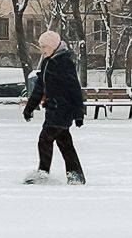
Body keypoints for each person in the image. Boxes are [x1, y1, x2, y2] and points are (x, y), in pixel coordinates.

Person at [22, 30, 86, 185]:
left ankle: (43, 173)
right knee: (65, 143)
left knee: (45, 140)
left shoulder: (64, 63)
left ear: (53, 46)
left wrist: (79, 113)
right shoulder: (47, 62)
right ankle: (76, 176)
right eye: (41, 46)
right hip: (53, 108)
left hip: (62, 109)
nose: (42, 50)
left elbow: (74, 88)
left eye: (44, 46)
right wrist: (29, 108)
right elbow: (39, 88)